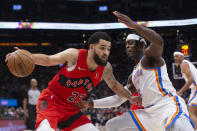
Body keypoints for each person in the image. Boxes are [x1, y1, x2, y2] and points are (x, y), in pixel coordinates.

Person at [76, 11, 194, 131]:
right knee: (112, 125)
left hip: (168, 106)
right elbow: (118, 99)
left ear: (142, 44)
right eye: (126, 44)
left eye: (131, 43)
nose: (127, 46)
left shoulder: (150, 58)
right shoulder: (133, 76)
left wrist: (135, 26)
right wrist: (90, 104)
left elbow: (159, 42)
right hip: (149, 114)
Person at [5, 32, 137, 131]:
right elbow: (48, 60)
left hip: (71, 109)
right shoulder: (74, 55)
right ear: (92, 47)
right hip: (51, 102)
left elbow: (115, 85)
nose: (106, 52)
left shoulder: (106, 69)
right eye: (102, 48)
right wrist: (27, 56)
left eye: (108, 49)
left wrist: (130, 97)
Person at [174, 51, 197, 130]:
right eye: (174, 56)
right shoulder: (187, 63)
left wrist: (180, 92)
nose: (175, 58)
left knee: (191, 112)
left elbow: (190, 80)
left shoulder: (183, 64)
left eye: (177, 56)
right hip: (194, 89)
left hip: (196, 89)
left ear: (182, 56)